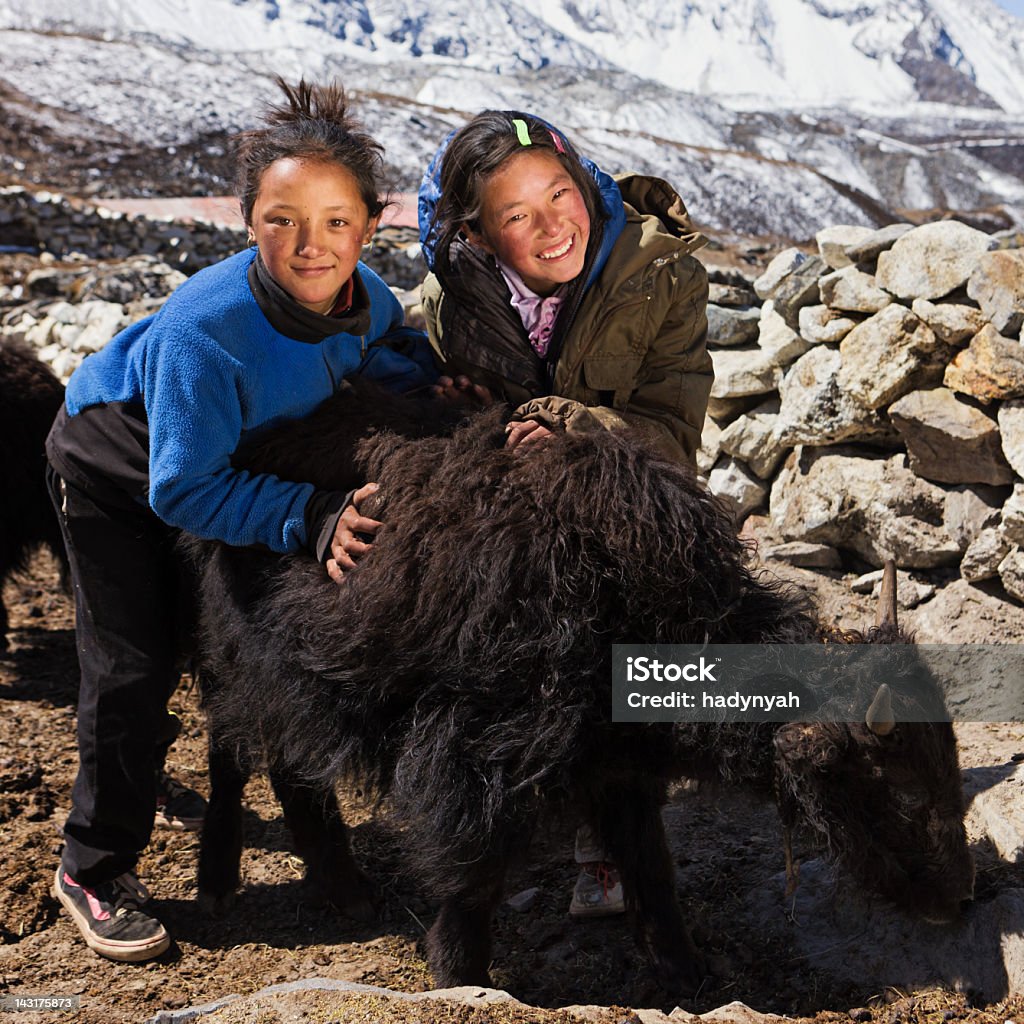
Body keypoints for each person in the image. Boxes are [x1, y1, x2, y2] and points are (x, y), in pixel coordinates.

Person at [45, 78, 436, 962]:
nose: (311, 244)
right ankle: (93, 868)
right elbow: (181, 490)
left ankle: (310, 838)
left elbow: (391, 346)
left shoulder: (366, 295)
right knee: (134, 667)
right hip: (122, 467)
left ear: (369, 226)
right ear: (247, 220)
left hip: (233, 465)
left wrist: (434, 387)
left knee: (258, 650)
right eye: (283, 219)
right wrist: (310, 514)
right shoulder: (205, 330)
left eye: (337, 221)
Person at [416, 110, 713, 916]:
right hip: (516, 517)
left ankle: (612, 844)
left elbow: (675, 439)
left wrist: (570, 428)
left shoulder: (661, 274)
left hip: (627, 500)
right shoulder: (448, 306)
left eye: (561, 194)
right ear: (478, 236)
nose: (552, 227)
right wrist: (467, 417)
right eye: (517, 215)